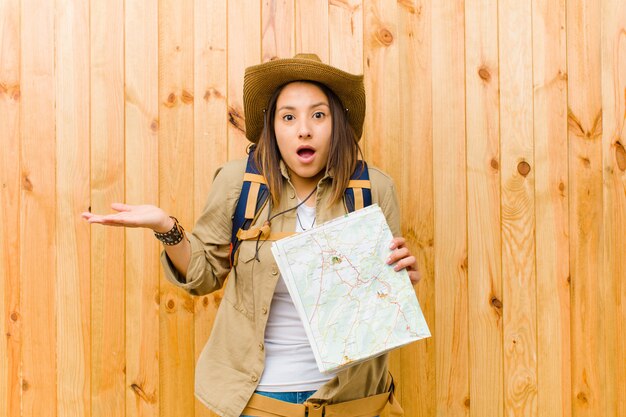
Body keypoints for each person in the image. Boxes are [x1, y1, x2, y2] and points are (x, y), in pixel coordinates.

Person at [82, 53, 421, 417]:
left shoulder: (374, 188)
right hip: (260, 401)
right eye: (288, 117)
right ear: (272, 127)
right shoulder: (237, 183)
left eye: (318, 115)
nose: (303, 129)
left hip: (356, 403)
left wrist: (402, 283)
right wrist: (167, 228)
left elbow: (380, 302)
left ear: (336, 124)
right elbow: (201, 275)